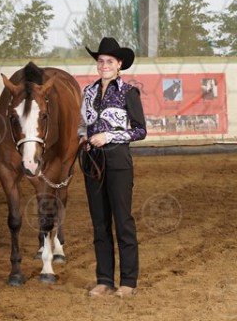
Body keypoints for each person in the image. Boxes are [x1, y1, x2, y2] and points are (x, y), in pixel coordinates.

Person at [78, 37, 147, 298]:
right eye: (100, 61)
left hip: (118, 162)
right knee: (100, 223)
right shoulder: (88, 92)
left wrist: (109, 136)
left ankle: (128, 281)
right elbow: (83, 125)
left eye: (109, 61)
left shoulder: (129, 92)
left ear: (119, 65)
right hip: (93, 163)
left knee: (123, 221)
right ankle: (104, 279)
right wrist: (82, 138)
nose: (104, 65)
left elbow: (140, 130)